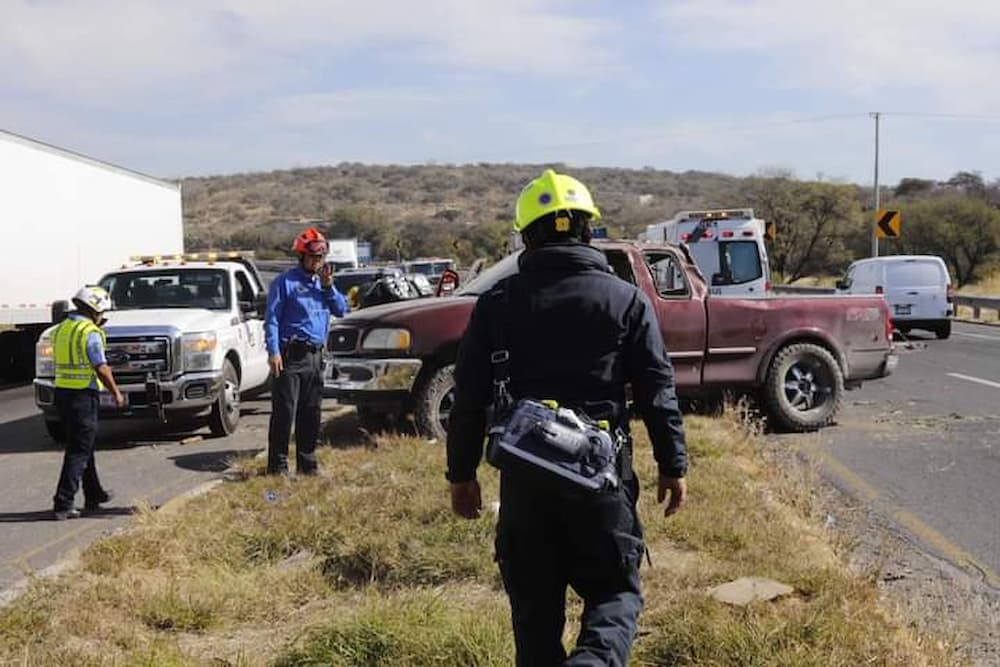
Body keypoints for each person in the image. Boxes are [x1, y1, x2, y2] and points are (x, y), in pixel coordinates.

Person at [446, 169, 689, 665]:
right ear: (587, 230)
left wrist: (461, 476)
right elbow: (656, 391)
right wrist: (673, 465)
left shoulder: (495, 304)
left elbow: (468, 397)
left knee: (534, 622)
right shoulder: (627, 300)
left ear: (526, 235)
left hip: (525, 490)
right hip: (602, 485)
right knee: (615, 597)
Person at [265, 227, 348, 476]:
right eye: (313, 257)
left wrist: (328, 287)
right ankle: (278, 467)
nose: (318, 262)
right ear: (302, 256)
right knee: (284, 413)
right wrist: (273, 351)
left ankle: (307, 464)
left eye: (321, 257)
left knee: (311, 413)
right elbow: (271, 319)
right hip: (290, 356)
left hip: (315, 356)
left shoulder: (323, 284)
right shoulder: (285, 283)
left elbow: (341, 310)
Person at [51, 285, 125, 520]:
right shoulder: (89, 332)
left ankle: (94, 494)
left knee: (85, 446)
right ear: (96, 309)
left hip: (62, 393)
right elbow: (101, 367)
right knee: (79, 450)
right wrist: (116, 392)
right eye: (102, 312)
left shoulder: (62, 328)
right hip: (82, 395)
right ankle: (63, 502)